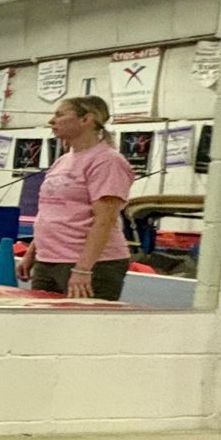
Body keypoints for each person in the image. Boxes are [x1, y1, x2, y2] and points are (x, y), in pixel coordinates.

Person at [17, 95, 135, 300]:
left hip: (91, 263)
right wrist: (32, 253)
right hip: (48, 260)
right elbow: (50, 213)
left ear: (86, 120)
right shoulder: (62, 161)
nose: (52, 122)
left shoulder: (107, 161)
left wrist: (83, 269)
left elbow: (104, 220)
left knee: (82, 330)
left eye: (60, 115)